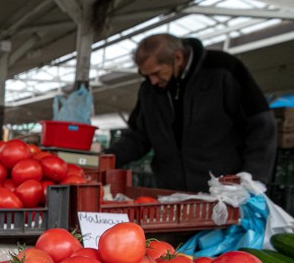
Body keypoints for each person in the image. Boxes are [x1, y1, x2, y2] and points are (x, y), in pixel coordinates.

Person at [107, 33, 276, 192]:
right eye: (146, 75)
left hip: (223, 193)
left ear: (178, 58)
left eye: (156, 73)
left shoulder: (222, 70)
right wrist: (106, 159)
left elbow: (261, 123)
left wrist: (252, 176)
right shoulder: (149, 91)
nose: (152, 81)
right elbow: (138, 137)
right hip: (171, 193)